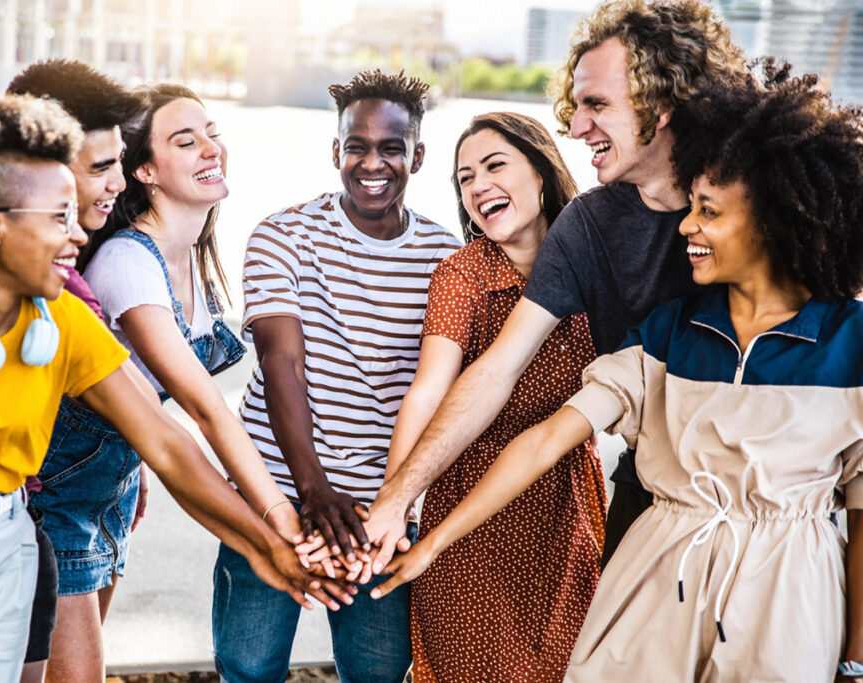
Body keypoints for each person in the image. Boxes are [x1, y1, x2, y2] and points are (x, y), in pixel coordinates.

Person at [373, 63, 863, 682]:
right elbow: (539, 432)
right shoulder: (665, 333)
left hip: (782, 594)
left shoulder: (849, 345)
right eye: (464, 175)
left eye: (707, 210)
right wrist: (420, 526)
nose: (685, 224)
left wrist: (854, 655)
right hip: (649, 575)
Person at [0, 94, 333, 682]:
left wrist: (264, 545)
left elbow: (168, 444)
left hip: (3, 554)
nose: (79, 237)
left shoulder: (65, 325)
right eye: (57, 218)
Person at [365, 0, 746, 573]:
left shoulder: (766, 201)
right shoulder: (587, 227)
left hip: (764, 492)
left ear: (661, 104)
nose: (577, 125)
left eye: (597, 104)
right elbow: (497, 369)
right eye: (577, 105)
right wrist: (397, 502)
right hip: (651, 485)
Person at [20, 77, 323, 680]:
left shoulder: (192, 260)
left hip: (110, 494)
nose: (211, 148)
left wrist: (125, 470)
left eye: (213, 133)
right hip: (57, 502)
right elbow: (199, 414)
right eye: (185, 141)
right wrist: (275, 522)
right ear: (146, 171)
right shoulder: (130, 262)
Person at [211, 70, 460, 683]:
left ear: (418, 156)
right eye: (357, 146)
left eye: (391, 148)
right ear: (335, 152)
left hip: (380, 514)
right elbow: (280, 365)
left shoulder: (445, 257)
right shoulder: (282, 235)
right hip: (274, 495)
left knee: (379, 671)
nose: (372, 162)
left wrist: (389, 511)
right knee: (247, 667)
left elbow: (439, 393)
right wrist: (313, 493)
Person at [386, 112, 604, 681]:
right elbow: (428, 389)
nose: (478, 186)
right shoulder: (463, 273)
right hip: (465, 504)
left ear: (540, 170)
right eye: (464, 178)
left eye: (494, 165)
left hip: (562, 501)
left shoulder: (597, 261)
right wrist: (396, 503)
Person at [4, 58, 148, 683]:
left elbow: (158, 436)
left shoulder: (76, 288)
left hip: (73, 513)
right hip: (39, 517)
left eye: (119, 159)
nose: (118, 180)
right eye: (100, 166)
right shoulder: (62, 297)